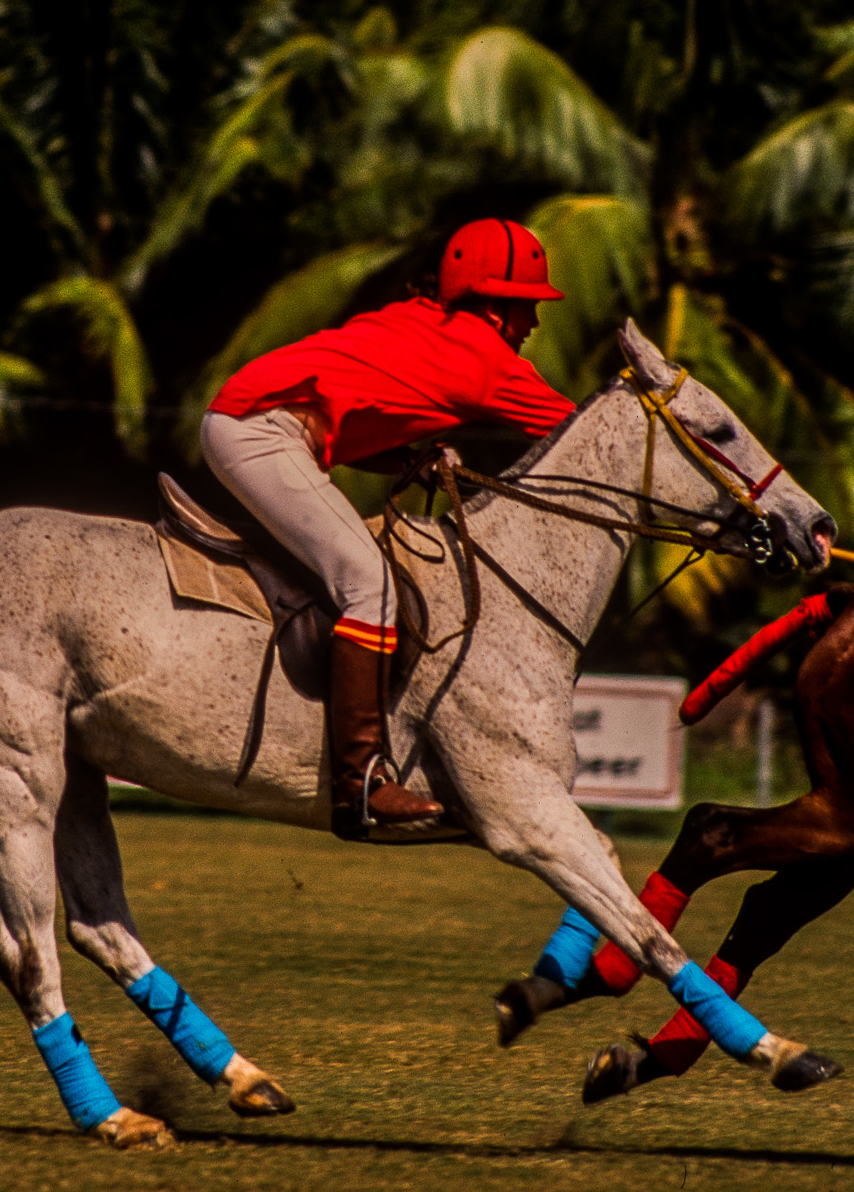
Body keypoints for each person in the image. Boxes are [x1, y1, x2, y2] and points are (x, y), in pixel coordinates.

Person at [202, 219, 576, 839]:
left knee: (362, 576)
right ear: (496, 304)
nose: (533, 323)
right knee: (368, 584)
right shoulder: (485, 359)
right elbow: (584, 435)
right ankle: (361, 786)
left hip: (249, 420)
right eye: (528, 305)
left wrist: (406, 459)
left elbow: (350, 424)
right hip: (260, 428)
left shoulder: (419, 322)